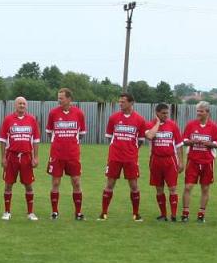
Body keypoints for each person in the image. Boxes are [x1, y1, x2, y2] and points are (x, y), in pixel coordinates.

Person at [100, 92, 156, 221]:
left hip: (130, 158)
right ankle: (103, 213)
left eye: (123, 101)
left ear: (131, 103)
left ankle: (136, 214)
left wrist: (130, 149)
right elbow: (109, 137)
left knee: (134, 185)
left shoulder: (139, 119)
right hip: (114, 157)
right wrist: (118, 148)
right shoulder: (113, 118)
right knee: (110, 184)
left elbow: (140, 140)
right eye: (119, 101)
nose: (120, 103)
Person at [45, 88, 87, 220]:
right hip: (57, 154)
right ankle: (54, 212)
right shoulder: (53, 113)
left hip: (73, 155)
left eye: (61, 98)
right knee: (55, 182)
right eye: (58, 98)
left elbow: (81, 134)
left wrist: (70, 142)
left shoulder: (79, 113)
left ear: (69, 99)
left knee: (76, 182)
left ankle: (78, 213)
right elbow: (49, 132)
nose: (59, 100)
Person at [0, 96, 41, 221]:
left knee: (28, 185)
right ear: (15, 105)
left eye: (23, 103)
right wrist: (3, 158)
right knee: (8, 184)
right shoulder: (8, 119)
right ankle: (7, 212)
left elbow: (36, 140)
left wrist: (36, 157)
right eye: (19, 103)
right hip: (11, 156)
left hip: (26, 156)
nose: (22, 105)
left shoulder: (32, 120)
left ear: (26, 105)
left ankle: (30, 213)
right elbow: (2, 140)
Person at [180, 102, 217, 223]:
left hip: (208, 162)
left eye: (201, 111)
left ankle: (201, 214)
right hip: (193, 161)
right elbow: (184, 141)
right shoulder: (191, 125)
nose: (198, 113)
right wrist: (192, 141)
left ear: (207, 112)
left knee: (205, 188)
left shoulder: (213, 127)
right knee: (188, 187)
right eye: (197, 111)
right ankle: (185, 214)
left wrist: (209, 144)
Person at [147, 103, 184, 221]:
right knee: (159, 189)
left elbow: (179, 145)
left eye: (167, 113)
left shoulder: (173, 125)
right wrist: (158, 123)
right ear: (157, 113)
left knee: (172, 188)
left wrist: (181, 161)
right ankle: (163, 214)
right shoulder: (150, 124)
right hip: (155, 160)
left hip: (170, 160)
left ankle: (173, 215)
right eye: (163, 113)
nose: (166, 115)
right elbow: (150, 136)